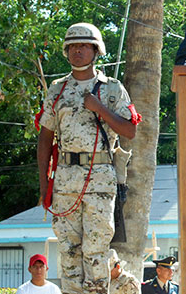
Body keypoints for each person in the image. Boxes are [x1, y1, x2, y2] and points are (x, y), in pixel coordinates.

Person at [37, 22, 141, 294]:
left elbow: (130, 129)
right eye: (72, 46)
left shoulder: (112, 89)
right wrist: (44, 186)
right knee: (68, 251)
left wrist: (99, 108)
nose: (77, 51)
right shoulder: (56, 91)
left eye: (83, 45)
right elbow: (45, 139)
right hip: (64, 180)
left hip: (99, 179)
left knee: (96, 251)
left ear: (96, 50)